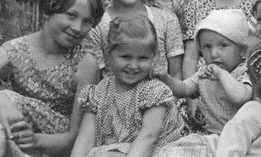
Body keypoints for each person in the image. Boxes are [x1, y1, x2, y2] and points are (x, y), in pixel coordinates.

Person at [0, 0, 104, 157]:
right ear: (47, 11)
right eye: (71, 15)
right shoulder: (16, 49)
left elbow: (75, 136)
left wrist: (35, 140)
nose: (77, 27)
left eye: (87, 21)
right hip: (15, 129)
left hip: (52, 144)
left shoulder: (85, 63)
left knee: (6, 97)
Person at [71, 16, 183, 157]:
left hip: (153, 152)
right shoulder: (99, 92)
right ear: (109, 56)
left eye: (143, 58)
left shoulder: (154, 91)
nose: (134, 66)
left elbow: (149, 137)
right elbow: (85, 139)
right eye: (125, 57)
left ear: (154, 57)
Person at [179, 0, 259, 121]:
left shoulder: (258, 1)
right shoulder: (196, 6)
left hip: (244, 87)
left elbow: (257, 51)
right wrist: (192, 100)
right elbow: (191, 57)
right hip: (206, 90)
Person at [158, 9, 253, 156]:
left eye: (223, 45)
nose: (214, 54)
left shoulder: (244, 71)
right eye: (207, 47)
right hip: (213, 137)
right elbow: (185, 89)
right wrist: (165, 78)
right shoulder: (205, 73)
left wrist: (221, 74)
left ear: (242, 51)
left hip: (242, 140)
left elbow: (240, 97)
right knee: (174, 150)